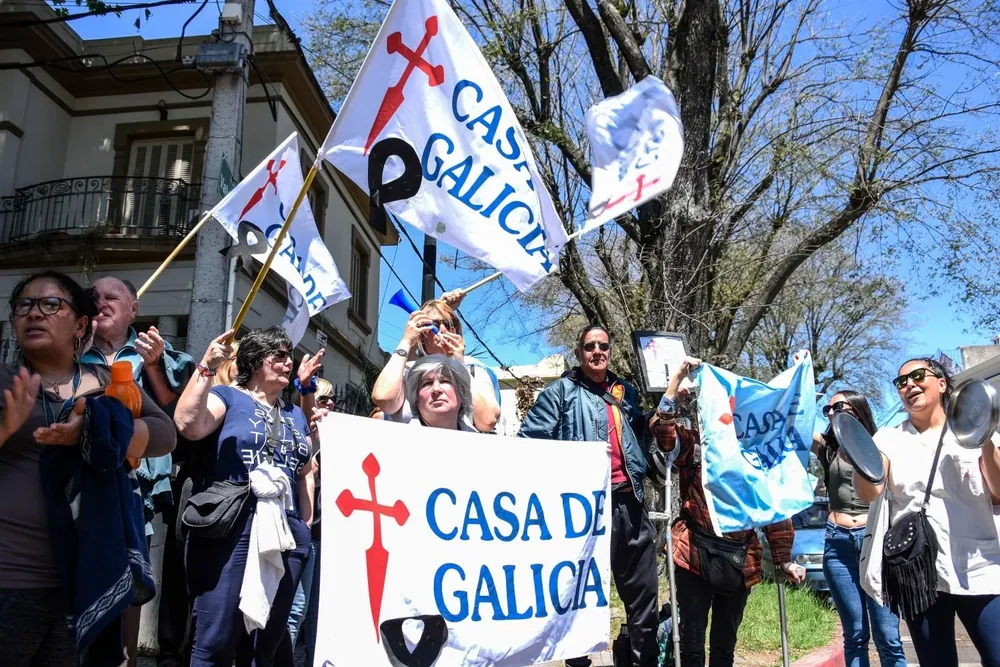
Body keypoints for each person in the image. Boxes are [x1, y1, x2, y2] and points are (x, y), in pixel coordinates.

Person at [0, 270, 176, 667]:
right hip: (10, 580)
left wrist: (97, 429)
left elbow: (166, 435)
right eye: (24, 306)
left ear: (80, 323)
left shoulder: (104, 384)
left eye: (50, 304)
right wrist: (6, 429)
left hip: (84, 579)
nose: (34, 314)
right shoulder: (6, 382)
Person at [518, 325, 671, 667]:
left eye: (603, 345)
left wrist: (653, 423)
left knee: (643, 595)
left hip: (629, 502)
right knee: (579, 597)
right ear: (579, 353)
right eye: (590, 346)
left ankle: (641, 661)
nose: (597, 351)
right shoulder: (560, 393)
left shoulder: (625, 392)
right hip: (582, 509)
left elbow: (635, 436)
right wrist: (574, 458)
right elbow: (528, 441)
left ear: (611, 350)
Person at [173, 326, 317, 667]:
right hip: (232, 526)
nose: (288, 362)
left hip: (286, 532)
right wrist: (206, 367)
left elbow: (305, 468)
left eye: (288, 356)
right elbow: (188, 425)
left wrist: (305, 524)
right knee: (216, 637)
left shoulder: (294, 413)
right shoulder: (228, 396)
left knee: (264, 643)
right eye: (278, 356)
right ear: (254, 362)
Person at [658, 356, 805, 667]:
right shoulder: (694, 446)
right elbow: (663, 434)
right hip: (693, 554)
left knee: (725, 647)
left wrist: (784, 559)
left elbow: (774, 510)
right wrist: (675, 385)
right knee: (691, 644)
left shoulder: (755, 458)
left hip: (742, 560)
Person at [854, 358, 1000, 667]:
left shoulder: (974, 431)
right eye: (901, 382)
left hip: (982, 569)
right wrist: (858, 455)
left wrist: (985, 438)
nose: (909, 384)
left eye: (917, 376)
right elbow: (870, 492)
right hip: (918, 575)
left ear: (942, 383)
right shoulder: (889, 439)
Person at [83, 275, 196, 667]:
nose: (101, 303)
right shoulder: (71, 351)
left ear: (134, 309)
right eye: (94, 297)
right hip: (80, 484)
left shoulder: (157, 355)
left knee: (131, 583)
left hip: (140, 490)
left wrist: (155, 366)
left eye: (112, 297)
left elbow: (180, 415)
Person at [813, 391, 906, 667]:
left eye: (838, 406)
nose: (831, 412)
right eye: (827, 408)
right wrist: (800, 371)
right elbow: (797, 422)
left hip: (875, 541)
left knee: (888, 636)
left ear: (858, 408)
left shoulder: (881, 445)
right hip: (838, 542)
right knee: (854, 634)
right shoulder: (828, 447)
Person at [372, 297, 499, 432]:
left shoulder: (473, 367)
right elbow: (383, 399)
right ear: (422, 333)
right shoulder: (408, 369)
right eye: (435, 324)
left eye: (451, 324)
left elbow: (487, 420)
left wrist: (459, 362)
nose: (444, 330)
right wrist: (406, 341)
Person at [287, 376, 332, 660]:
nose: (330, 404)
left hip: (325, 537)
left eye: (331, 399)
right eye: (323, 398)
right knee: (294, 611)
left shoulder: (336, 439)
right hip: (302, 534)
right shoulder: (297, 435)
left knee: (316, 614)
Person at [405, 354, 478, 431]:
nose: (436, 389)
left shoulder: (479, 440)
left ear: (462, 392)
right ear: (416, 398)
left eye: (445, 381)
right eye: (427, 383)